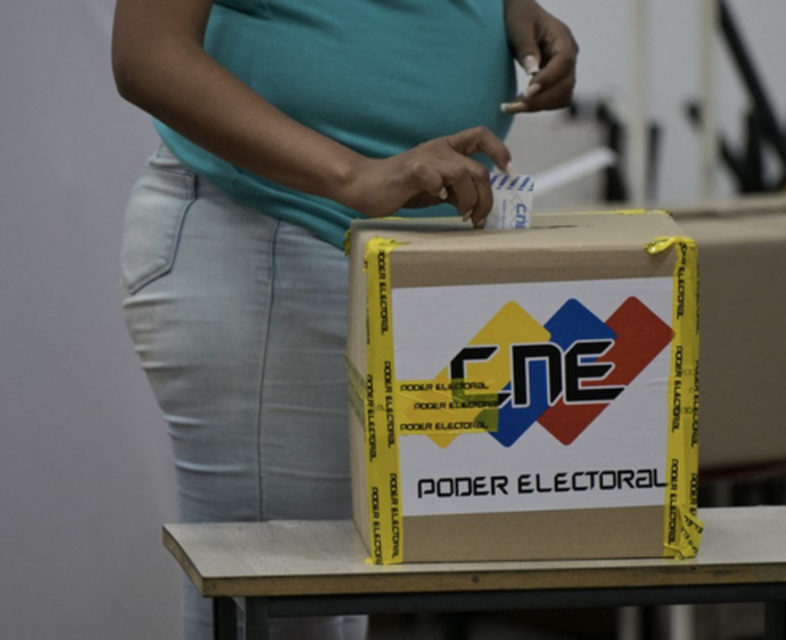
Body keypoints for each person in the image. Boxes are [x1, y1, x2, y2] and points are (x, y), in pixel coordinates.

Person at [112, 1, 577, 638]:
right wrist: (354, 172)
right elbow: (147, 55)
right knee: (281, 611)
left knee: (330, 604)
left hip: (391, 259)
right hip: (274, 234)